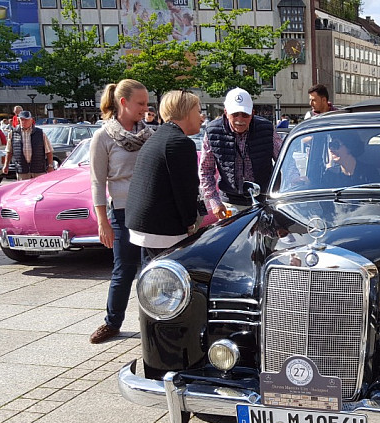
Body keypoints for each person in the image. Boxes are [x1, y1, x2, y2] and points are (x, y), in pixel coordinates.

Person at [89, 78, 152, 345]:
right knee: (123, 270)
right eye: (141, 103)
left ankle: (154, 323)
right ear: (123, 102)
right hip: (123, 212)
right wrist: (102, 221)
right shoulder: (103, 137)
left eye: (147, 103)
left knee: (151, 270)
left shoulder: (150, 135)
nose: (146, 108)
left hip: (149, 211)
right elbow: (97, 182)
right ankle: (112, 322)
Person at [126, 90, 202, 263]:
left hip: (144, 224)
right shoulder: (179, 143)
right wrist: (190, 223)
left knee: (151, 273)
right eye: (198, 111)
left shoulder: (158, 137)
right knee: (168, 276)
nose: (201, 117)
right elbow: (185, 190)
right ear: (186, 112)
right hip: (163, 228)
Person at [201, 87, 283, 218]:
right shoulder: (212, 131)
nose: (240, 119)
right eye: (235, 114)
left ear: (252, 113)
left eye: (245, 115)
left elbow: (284, 161)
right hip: (230, 201)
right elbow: (206, 170)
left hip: (265, 199)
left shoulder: (267, 129)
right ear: (226, 112)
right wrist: (214, 201)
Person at [2, 110, 54, 181]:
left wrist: (50, 166)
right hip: (22, 170)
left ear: (31, 120)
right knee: (23, 188)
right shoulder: (13, 133)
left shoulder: (40, 133)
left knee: (39, 187)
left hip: (38, 170)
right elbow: (9, 151)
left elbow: (49, 151)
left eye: (26, 120)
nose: (23, 122)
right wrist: (6, 165)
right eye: (22, 119)